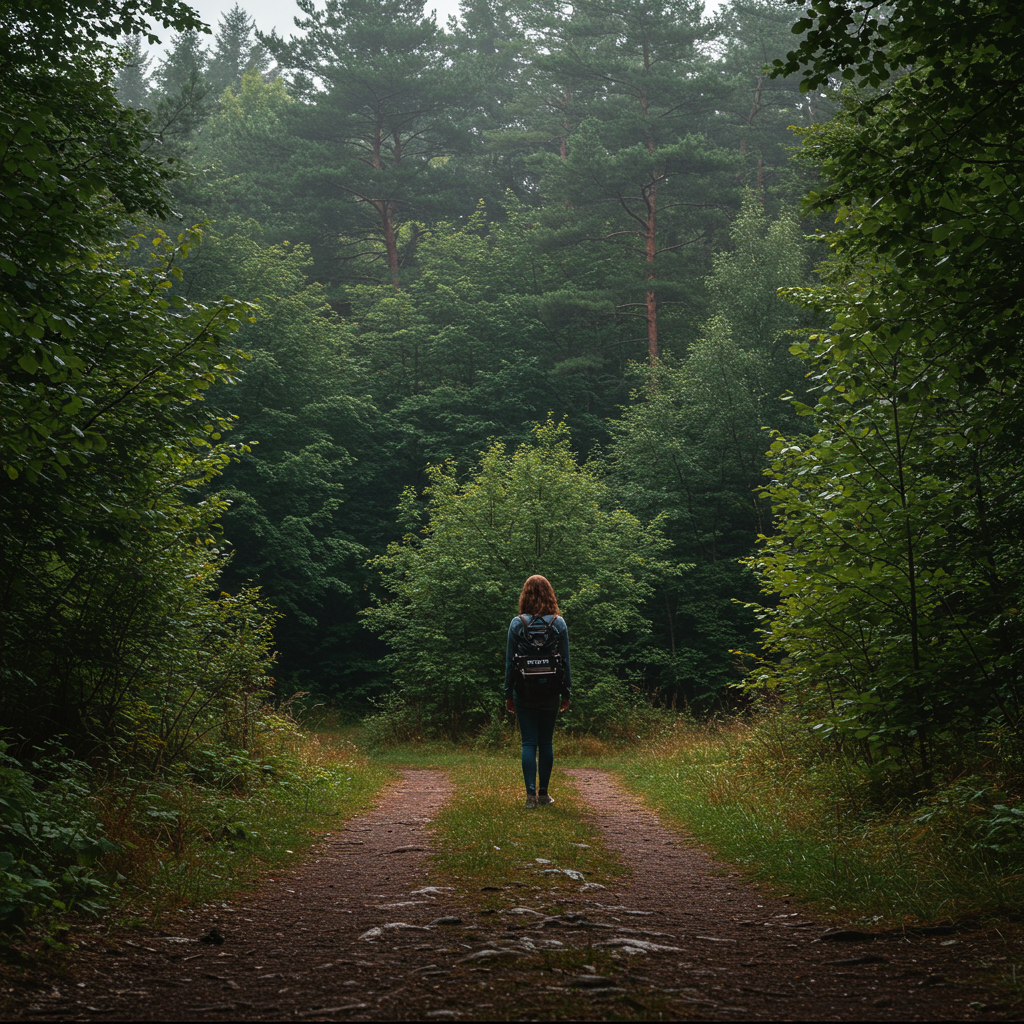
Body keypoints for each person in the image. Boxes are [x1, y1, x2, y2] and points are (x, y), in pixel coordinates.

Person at [504, 574, 571, 809]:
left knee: (528, 743)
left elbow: (510, 663)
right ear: (549, 594)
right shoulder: (558, 623)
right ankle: (544, 794)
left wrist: (507, 694)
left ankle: (530, 796)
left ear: (525, 595)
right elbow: (565, 661)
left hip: (523, 691)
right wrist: (567, 692)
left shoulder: (517, 623)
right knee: (546, 742)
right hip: (551, 691)